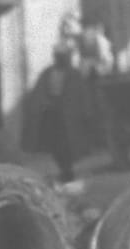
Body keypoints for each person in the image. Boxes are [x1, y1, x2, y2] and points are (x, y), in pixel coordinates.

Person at [31, 46, 93, 184]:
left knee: (68, 144)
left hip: (69, 115)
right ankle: (64, 168)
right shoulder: (48, 73)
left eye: (63, 56)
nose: (61, 59)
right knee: (54, 145)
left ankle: (67, 170)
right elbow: (39, 91)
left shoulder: (74, 74)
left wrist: (85, 112)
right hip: (52, 113)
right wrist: (44, 103)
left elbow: (83, 94)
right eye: (58, 56)